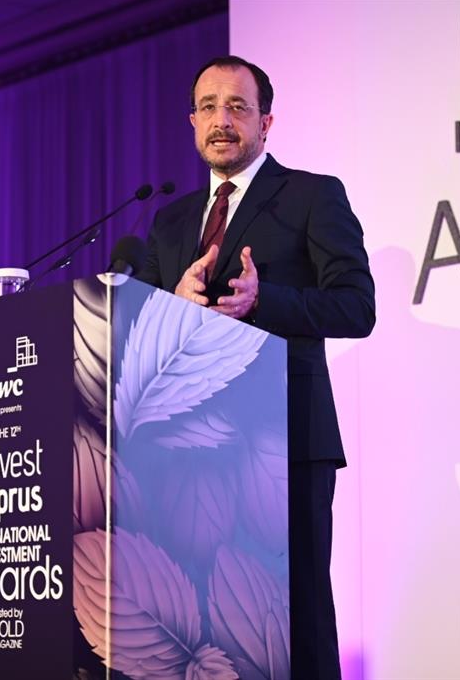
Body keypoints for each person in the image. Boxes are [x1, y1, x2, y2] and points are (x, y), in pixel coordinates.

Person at [136, 55, 375, 679]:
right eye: (209, 107)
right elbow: (139, 328)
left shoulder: (312, 195)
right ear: (192, 122)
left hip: (285, 440)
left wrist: (264, 300)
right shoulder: (171, 220)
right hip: (188, 451)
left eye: (238, 107)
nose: (223, 120)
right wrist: (171, 305)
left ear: (265, 123)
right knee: (203, 622)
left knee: (298, 615)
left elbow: (356, 306)